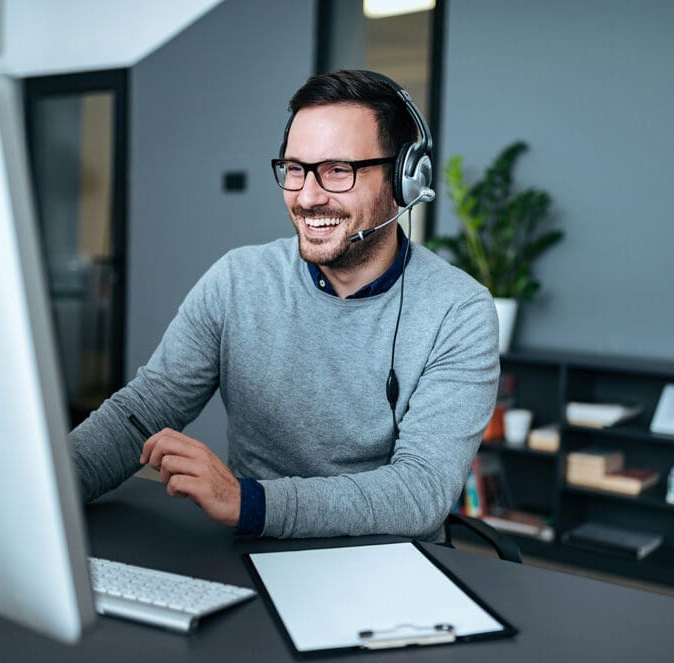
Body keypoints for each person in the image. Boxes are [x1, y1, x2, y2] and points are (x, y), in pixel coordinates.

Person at [71, 69, 499, 541]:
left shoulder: (459, 311)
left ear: (403, 179)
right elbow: (144, 410)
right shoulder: (237, 280)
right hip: (253, 550)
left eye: (339, 170)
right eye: (296, 169)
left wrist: (249, 501)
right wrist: (49, 489)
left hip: (387, 564)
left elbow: (420, 492)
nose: (308, 197)